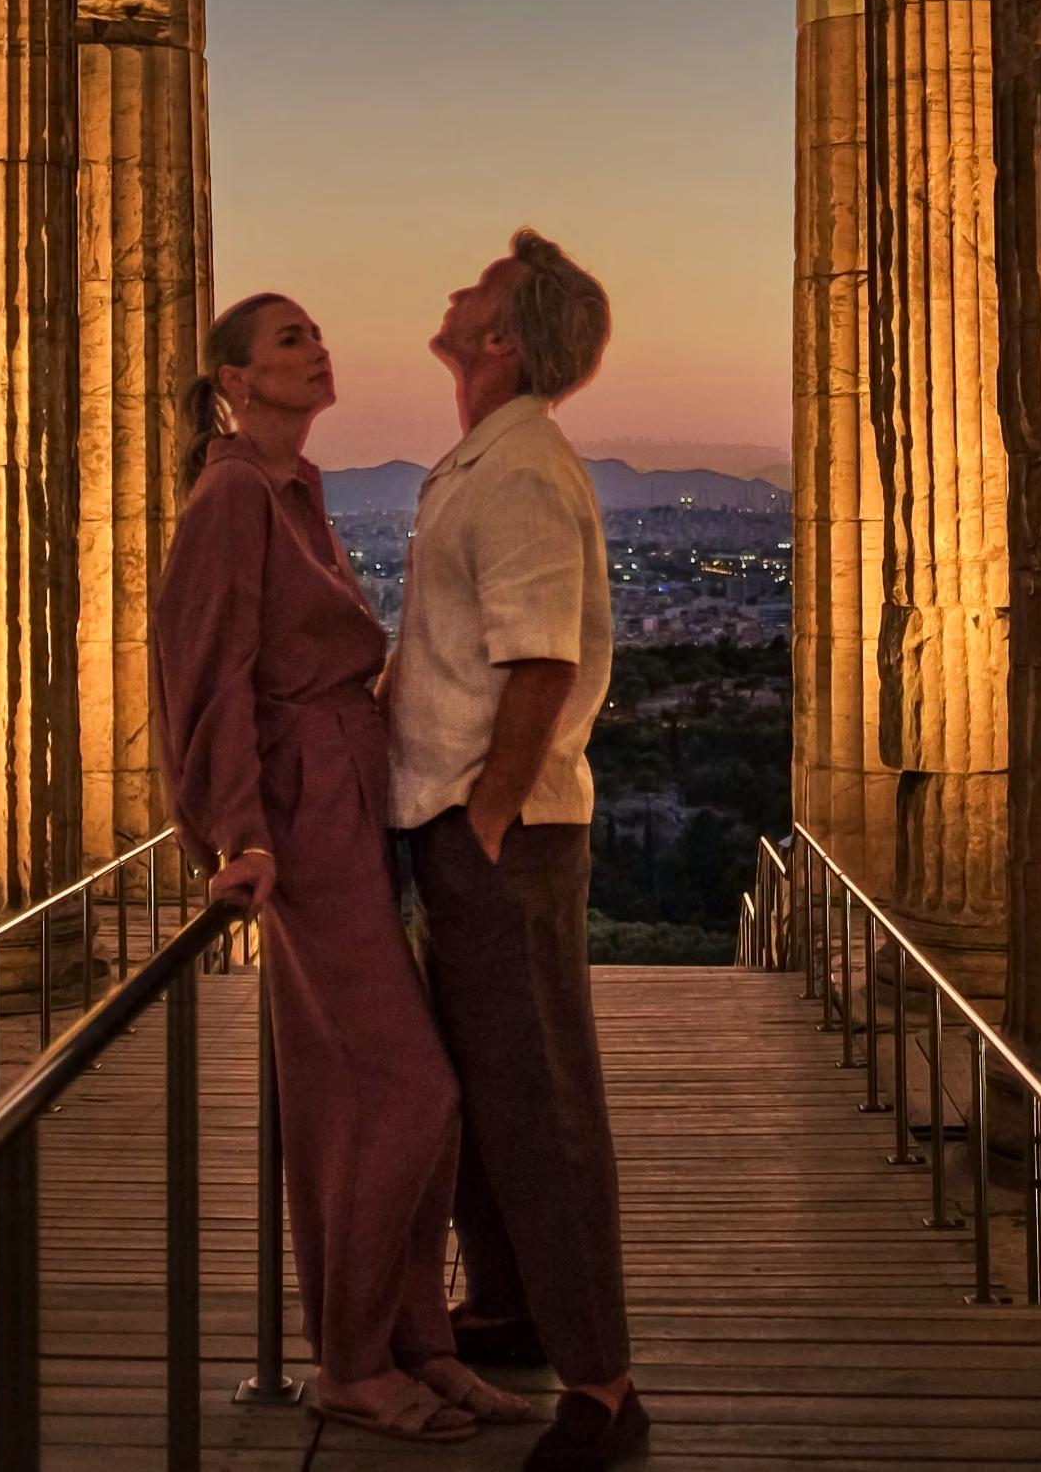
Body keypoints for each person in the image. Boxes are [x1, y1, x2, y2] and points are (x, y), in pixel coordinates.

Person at [151, 292, 533, 1445]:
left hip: (348, 802)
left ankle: (415, 1342)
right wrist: (239, 834)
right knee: (410, 1091)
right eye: (290, 340)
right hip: (305, 819)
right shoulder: (231, 497)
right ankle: (355, 1363)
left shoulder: (296, 489)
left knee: (366, 1095)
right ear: (236, 380)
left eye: (318, 334)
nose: (318, 350)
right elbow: (203, 674)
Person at [388, 231, 646, 1472]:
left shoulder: (524, 470)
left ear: (500, 338)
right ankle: (514, 1306)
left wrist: (489, 813)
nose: (455, 291)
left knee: (541, 1099)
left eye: (479, 291)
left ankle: (603, 1384)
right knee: (490, 1089)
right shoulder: (490, 459)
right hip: (468, 824)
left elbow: (540, 661)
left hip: (503, 830)